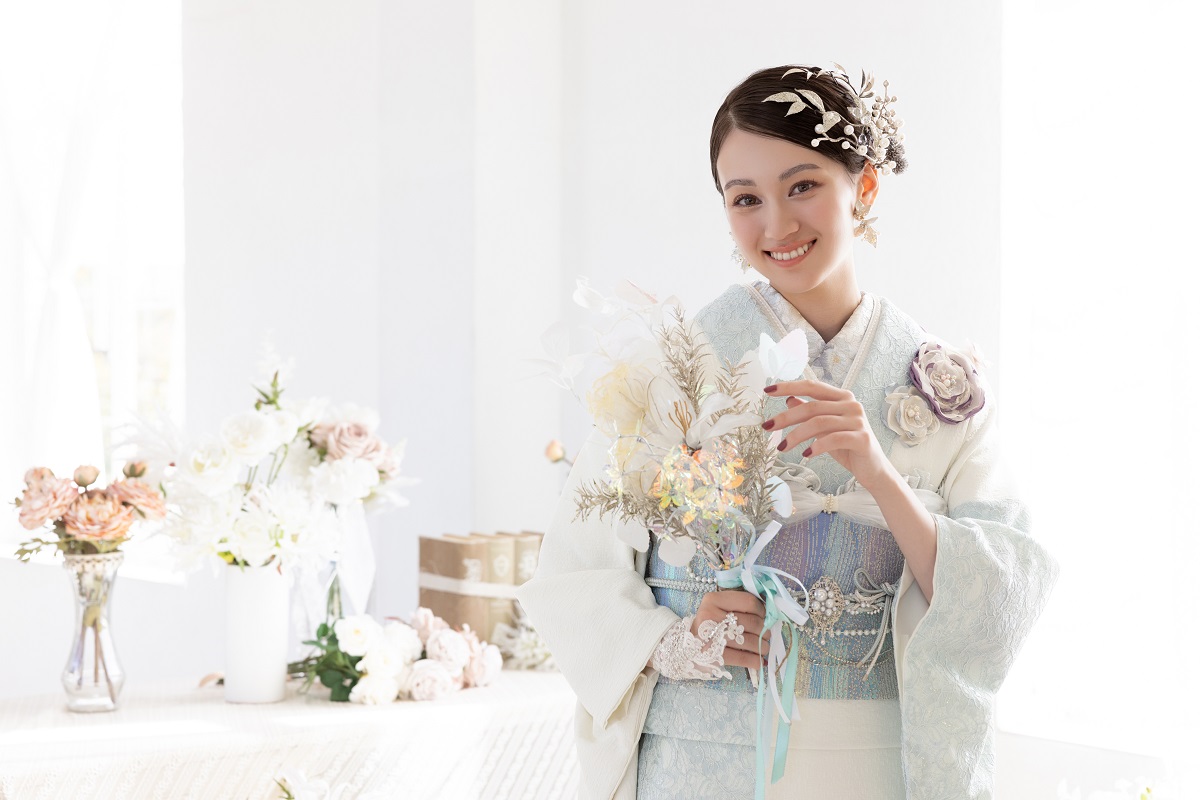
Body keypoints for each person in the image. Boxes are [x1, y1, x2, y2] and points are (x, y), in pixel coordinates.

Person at [517, 65, 1058, 800]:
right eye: (746, 199)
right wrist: (676, 639)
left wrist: (877, 472)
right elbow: (572, 573)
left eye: (802, 186)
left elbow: (1000, 594)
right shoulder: (673, 369)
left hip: (874, 756)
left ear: (864, 187)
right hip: (702, 752)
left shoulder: (942, 390)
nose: (776, 226)